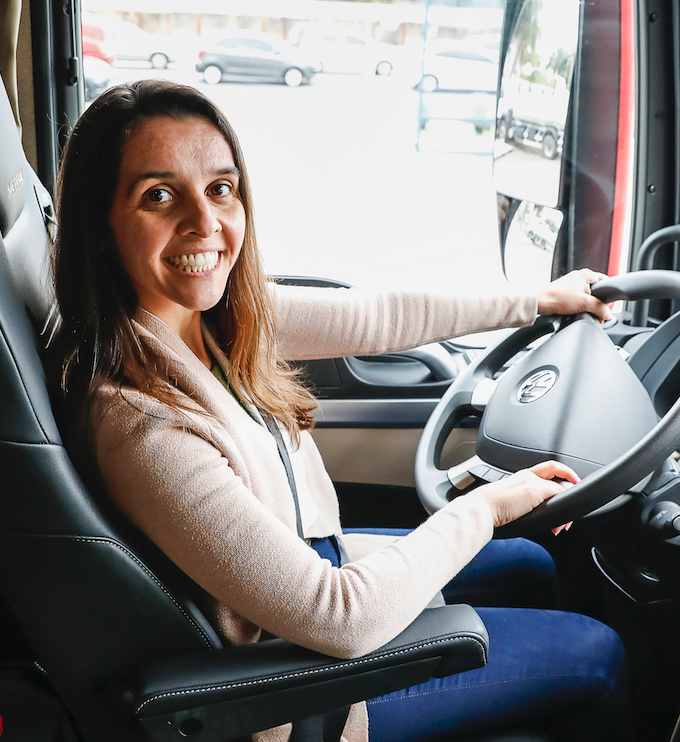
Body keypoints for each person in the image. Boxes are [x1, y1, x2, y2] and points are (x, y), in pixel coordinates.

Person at [49, 79, 629, 742]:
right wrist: (488, 505)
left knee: (532, 564)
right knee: (599, 651)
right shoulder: (142, 425)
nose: (205, 223)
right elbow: (340, 616)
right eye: (158, 195)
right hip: (298, 687)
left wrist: (535, 301)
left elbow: (378, 315)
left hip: (312, 573)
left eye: (220, 188)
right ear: (100, 224)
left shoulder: (208, 319)